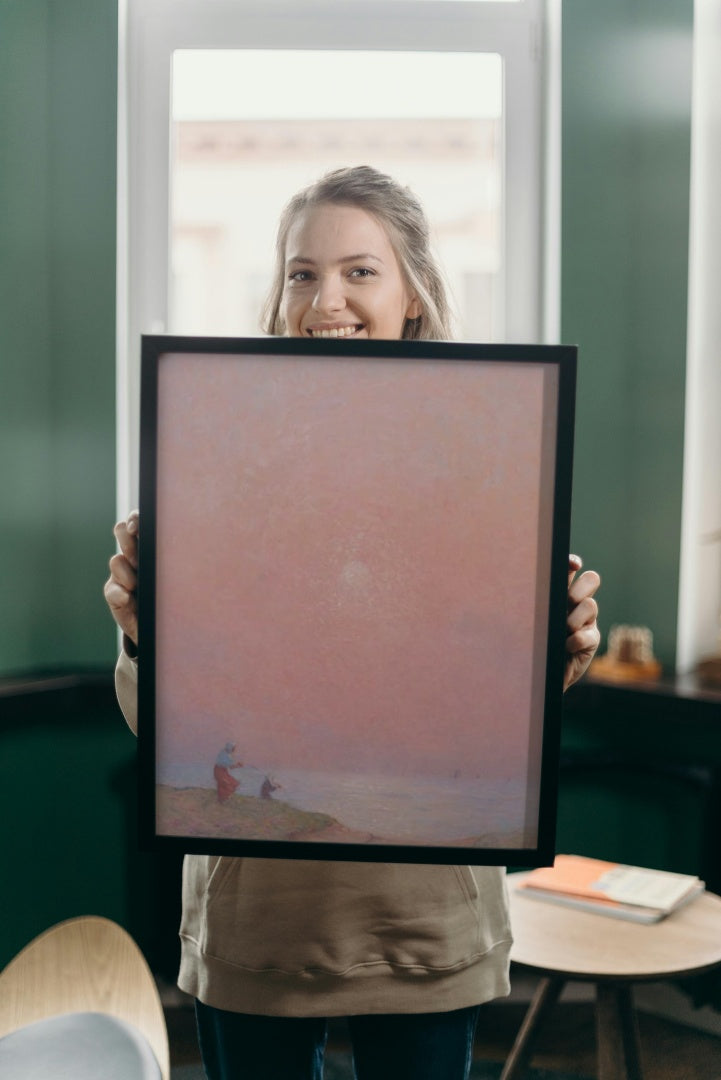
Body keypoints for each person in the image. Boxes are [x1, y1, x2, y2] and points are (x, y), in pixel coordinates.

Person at [105, 166, 601, 1080]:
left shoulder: (487, 461)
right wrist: (144, 637)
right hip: (257, 922)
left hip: (425, 920)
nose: (324, 298)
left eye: (359, 271)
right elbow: (169, 732)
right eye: (301, 273)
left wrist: (556, 652)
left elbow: (480, 708)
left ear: (412, 292)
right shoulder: (212, 462)